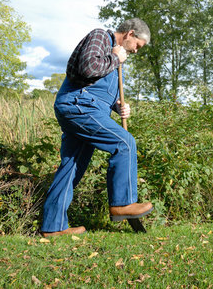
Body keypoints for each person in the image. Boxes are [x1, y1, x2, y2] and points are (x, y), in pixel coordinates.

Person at [40, 18, 153, 237]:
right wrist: (115, 57)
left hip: (88, 109)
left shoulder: (116, 57)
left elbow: (99, 88)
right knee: (124, 142)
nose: (136, 51)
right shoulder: (101, 36)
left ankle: (53, 226)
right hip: (78, 105)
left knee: (71, 167)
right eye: (138, 45)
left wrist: (118, 106)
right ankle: (123, 203)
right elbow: (87, 67)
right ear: (130, 34)